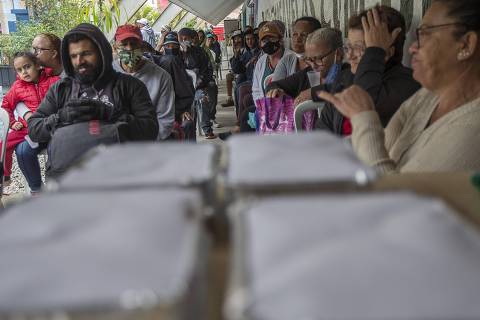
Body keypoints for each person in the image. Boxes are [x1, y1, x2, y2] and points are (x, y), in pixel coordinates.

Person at [319, 1, 480, 172]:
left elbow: (396, 195)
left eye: (425, 33)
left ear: (466, 44)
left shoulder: (473, 128)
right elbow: (383, 143)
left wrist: (363, 117)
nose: (413, 47)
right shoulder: (427, 97)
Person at [18, 23, 158, 193]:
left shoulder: (129, 86)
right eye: (74, 56)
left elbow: (150, 129)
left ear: (102, 53)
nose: (80, 61)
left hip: (119, 182)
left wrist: (109, 113)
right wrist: (61, 118)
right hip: (67, 184)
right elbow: (34, 128)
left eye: (86, 54)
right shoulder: (61, 89)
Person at [313, 6, 420, 136]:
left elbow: (364, 103)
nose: (350, 56)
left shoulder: (407, 84)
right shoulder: (345, 77)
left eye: (360, 48)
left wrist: (375, 51)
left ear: (386, 52)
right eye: (349, 47)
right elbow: (322, 130)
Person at [1, 52, 59, 186]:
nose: (24, 72)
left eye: (27, 67)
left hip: (51, 126)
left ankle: (55, 184)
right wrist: (13, 122)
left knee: (57, 149)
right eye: (19, 70)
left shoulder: (53, 81)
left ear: (38, 65)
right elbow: (6, 105)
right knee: (3, 143)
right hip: (28, 128)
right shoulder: (17, 87)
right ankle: (5, 176)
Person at [113, 24, 175, 140]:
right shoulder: (107, 73)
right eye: (124, 44)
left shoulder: (161, 77)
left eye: (134, 43)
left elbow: (165, 122)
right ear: (115, 48)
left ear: (141, 45)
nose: (129, 48)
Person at [178, 27, 216, 139]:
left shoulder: (199, 52)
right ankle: (190, 133)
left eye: (186, 38)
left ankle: (207, 128)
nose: (183, 41)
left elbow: (207, 71)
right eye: (181, 39)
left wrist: (199, 84)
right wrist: (182, 54)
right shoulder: (176, 54)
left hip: (198, 86)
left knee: (202, 98)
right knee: (187, 108)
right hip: (182, 90)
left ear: (192, 39)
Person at [157, 32, 196, 140]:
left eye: (174, 46)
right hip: (156, 113)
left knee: (187, 124)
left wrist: (181, 110)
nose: (171, 48)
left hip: (175, 109)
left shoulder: (175, 62)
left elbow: (184, 91)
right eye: (168, 46)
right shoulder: (156, 63)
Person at [272, 16, 322, 81]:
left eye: (303, 35)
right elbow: (274, 86)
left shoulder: (322, 63)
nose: (297, 39)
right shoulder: (286, 61)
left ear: (316, 37)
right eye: (295, 34)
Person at [221, 29, 244, 107]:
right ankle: (229, 98)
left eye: (239, 38)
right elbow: (234, 64)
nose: (237, 40)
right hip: (237, 70)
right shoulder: (236, 49)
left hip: (244, 72)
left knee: (239, 78)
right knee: (228, 76)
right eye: (235, 39)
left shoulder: (245, 49)